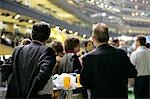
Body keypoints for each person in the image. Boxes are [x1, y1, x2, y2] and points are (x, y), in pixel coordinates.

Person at [80, 23, 137, 98]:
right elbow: (133, 73)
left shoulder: (88, 58)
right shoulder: (121, 54)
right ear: (108, 38)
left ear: (93, 39)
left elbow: (85, 83)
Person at [5, 23, 56, 98]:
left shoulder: (18, 50)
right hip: (38, 96)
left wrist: (15, 86)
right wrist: (31, 90)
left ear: (32, 35)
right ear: (47, 36)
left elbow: (5, 69)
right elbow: (44, 74)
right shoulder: (47, 51)